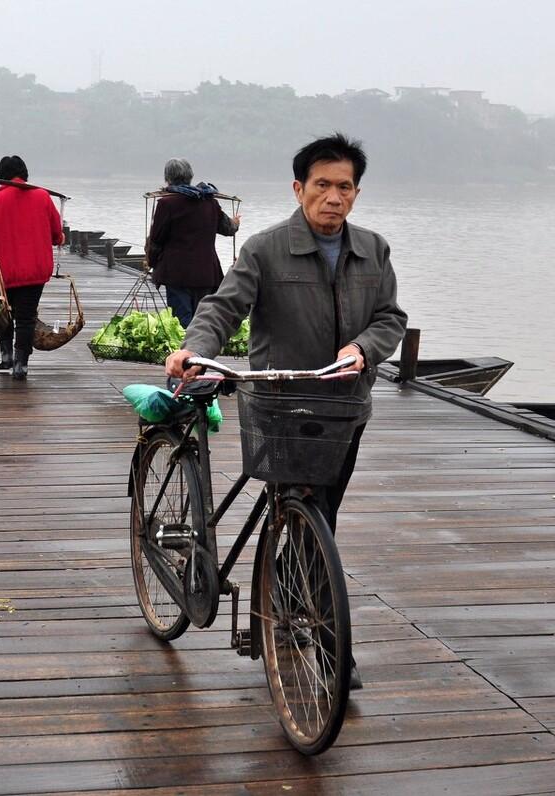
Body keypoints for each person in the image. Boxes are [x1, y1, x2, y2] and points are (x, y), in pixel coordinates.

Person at [166, 133, 407, 691]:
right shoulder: (265, 249)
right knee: (307, 510)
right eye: (321, 185)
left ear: (357, 193)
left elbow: (391, 318)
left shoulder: (374, 249)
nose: (333, 197)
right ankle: (330, 648)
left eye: (344, 187)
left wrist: (362, 349)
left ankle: (293, 603)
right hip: (279, 405)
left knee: (320, 517)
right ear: (299, 189)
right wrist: (195, 351)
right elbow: (224, 307)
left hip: (346, 408)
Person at [0, 155, 64, 381]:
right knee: (26, 318)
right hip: (34, 270)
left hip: (2, 272)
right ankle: (21, 365)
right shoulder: (42, 196)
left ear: (1, 175)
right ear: (24, 173)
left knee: (2, 313)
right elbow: (55, 233)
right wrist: (60, 237)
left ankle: (6, 357)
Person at [147, 158, 241, 327]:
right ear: (190, 176)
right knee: (202, 322)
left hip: (176, 274)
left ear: (168, 178)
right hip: (206, 273)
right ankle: (199, 352)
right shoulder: (209, 202)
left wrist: (152, 263)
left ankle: (188, 353)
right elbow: (228, 229)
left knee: (183, 323)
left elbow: (156, 240)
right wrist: (236, 223)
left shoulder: (166, 203)